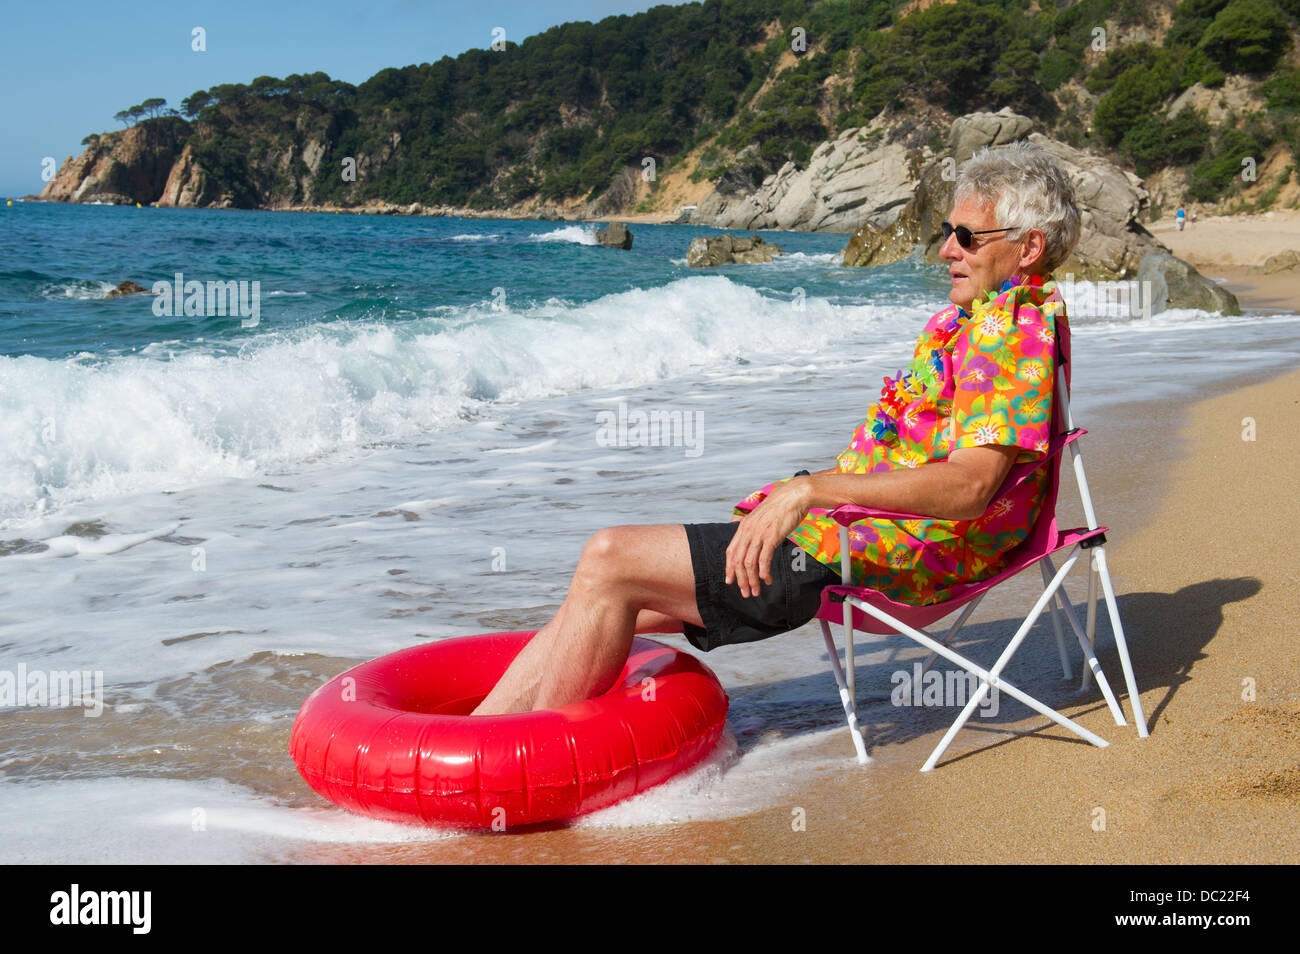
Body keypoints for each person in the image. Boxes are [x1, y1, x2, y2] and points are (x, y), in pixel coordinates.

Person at [473, 141, 1081, 716]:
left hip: (901, 551)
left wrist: (812, 489)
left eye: (967, 236)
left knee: (609, 559)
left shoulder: (1012, 330)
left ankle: (525, 769)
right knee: (601, 592)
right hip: (861, 535)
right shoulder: (978, 322)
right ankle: (476, 738)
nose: (947, 248)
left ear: (1028, 247)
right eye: (947, 232)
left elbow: (970, 488)